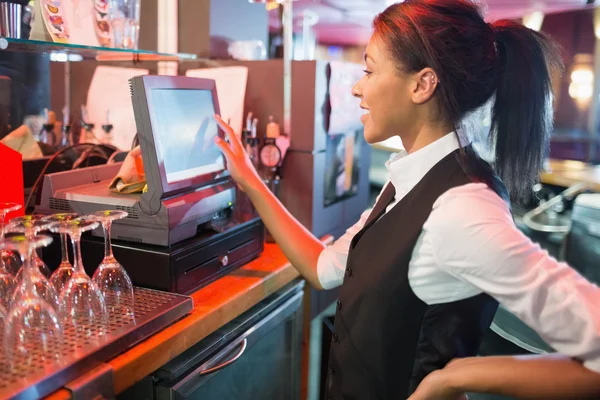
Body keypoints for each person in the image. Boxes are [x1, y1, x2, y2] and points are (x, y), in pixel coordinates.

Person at [213, 0, 600, 398]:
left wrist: (455, 377)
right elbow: (322, 266)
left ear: (422, 84)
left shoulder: (462, 209)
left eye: (369, 69)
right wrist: (250, 179)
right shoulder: (413, 178)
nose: (357, 87)